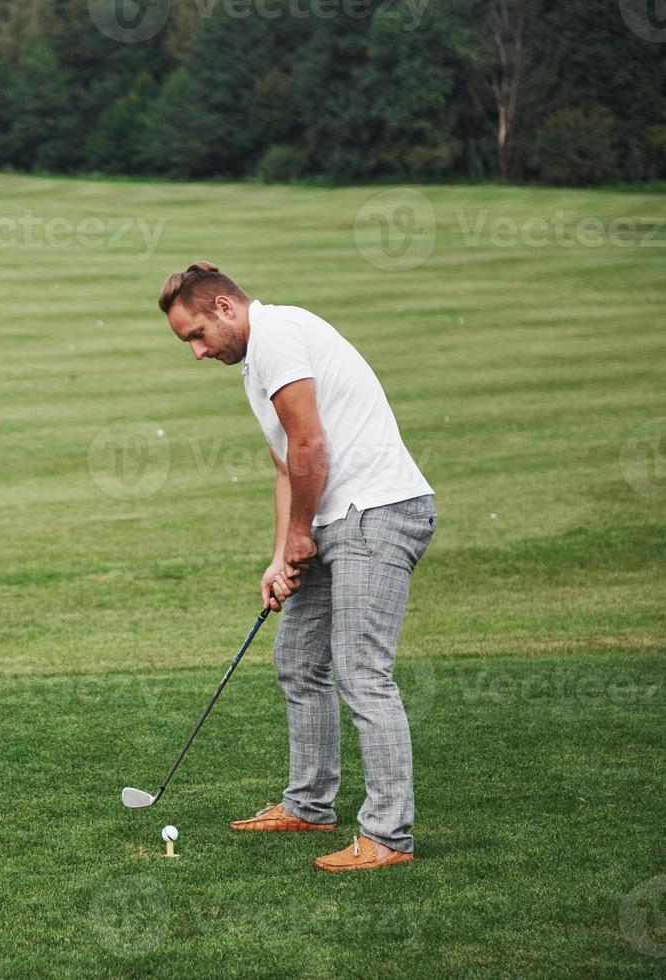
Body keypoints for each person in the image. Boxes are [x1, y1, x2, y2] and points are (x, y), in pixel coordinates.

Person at [159, 262, 436, 873]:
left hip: (378, 511)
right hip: (333, 519)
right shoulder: (256, 367)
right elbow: (288, 465)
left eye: (197, 335)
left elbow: (312, 446)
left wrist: (299, 534)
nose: (198, 352)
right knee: (298, 659)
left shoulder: (280, 334)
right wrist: (282, 552)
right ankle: (310, 803)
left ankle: (388, 835)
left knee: (363, 672)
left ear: (226, 308)